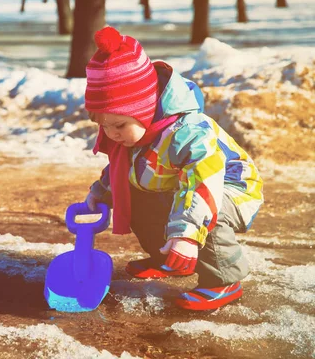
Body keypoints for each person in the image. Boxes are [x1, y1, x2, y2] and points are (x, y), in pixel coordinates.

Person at [84, 26, 263, 311]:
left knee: (201, 215)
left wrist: (185, 236)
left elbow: (202, 186)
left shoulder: (188, 133)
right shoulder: (137, 133)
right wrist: (101, 192)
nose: (111, 134)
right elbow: (124, 170)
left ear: (144, 109)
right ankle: (171, 259)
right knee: (135, 197)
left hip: (226, 185)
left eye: (118, 125)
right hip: (181, 185)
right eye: (103, 125)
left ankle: (224, 279)